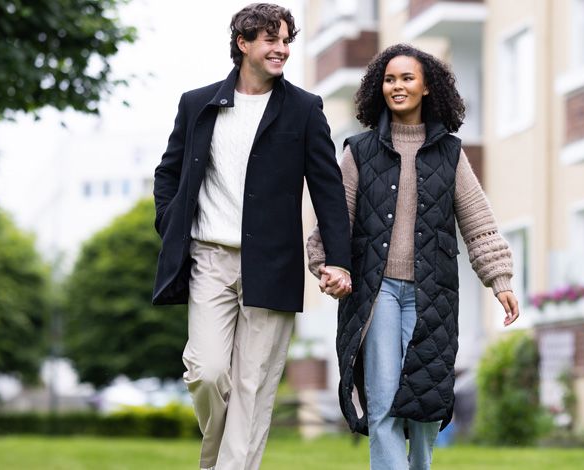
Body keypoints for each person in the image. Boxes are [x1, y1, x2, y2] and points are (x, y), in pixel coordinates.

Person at [151, 4, 352, 469]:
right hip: (209, 258)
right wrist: (171, 222)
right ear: (243, 44)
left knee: (252, 386)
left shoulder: (304, 109)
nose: (282, 49)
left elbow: (327, 190)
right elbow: (169, 173)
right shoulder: (197, 103)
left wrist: (337, 259)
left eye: (286, 41)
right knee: (207, 372)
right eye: (271, 40)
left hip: (273, 265)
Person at [306, 43, 521, 470]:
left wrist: (502, 282)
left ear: (427, 88)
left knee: (425, 400)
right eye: (389, 79)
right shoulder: (360, 151)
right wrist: (326, 264)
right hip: (375, 291)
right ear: (377, 88)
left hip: (432, 293)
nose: (397, 86)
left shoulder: (451, 154)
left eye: (407, 78)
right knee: (383, 398)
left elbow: (478, 223)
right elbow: (335, 220)